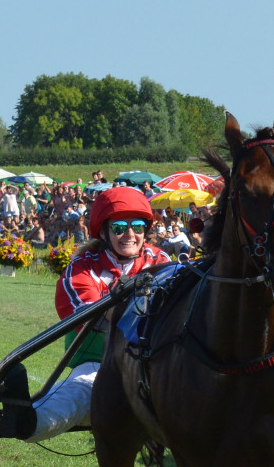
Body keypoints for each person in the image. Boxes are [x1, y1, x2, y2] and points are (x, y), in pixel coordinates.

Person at [28, 189, 171, 441]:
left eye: (137, 226)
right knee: (79, 394)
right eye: (119, 227)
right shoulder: (83, 267)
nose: (130, 234)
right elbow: (89, 314)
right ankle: (30, 422)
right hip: (99, 363)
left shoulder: (161, 260)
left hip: (156, 363)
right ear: (103, 231)